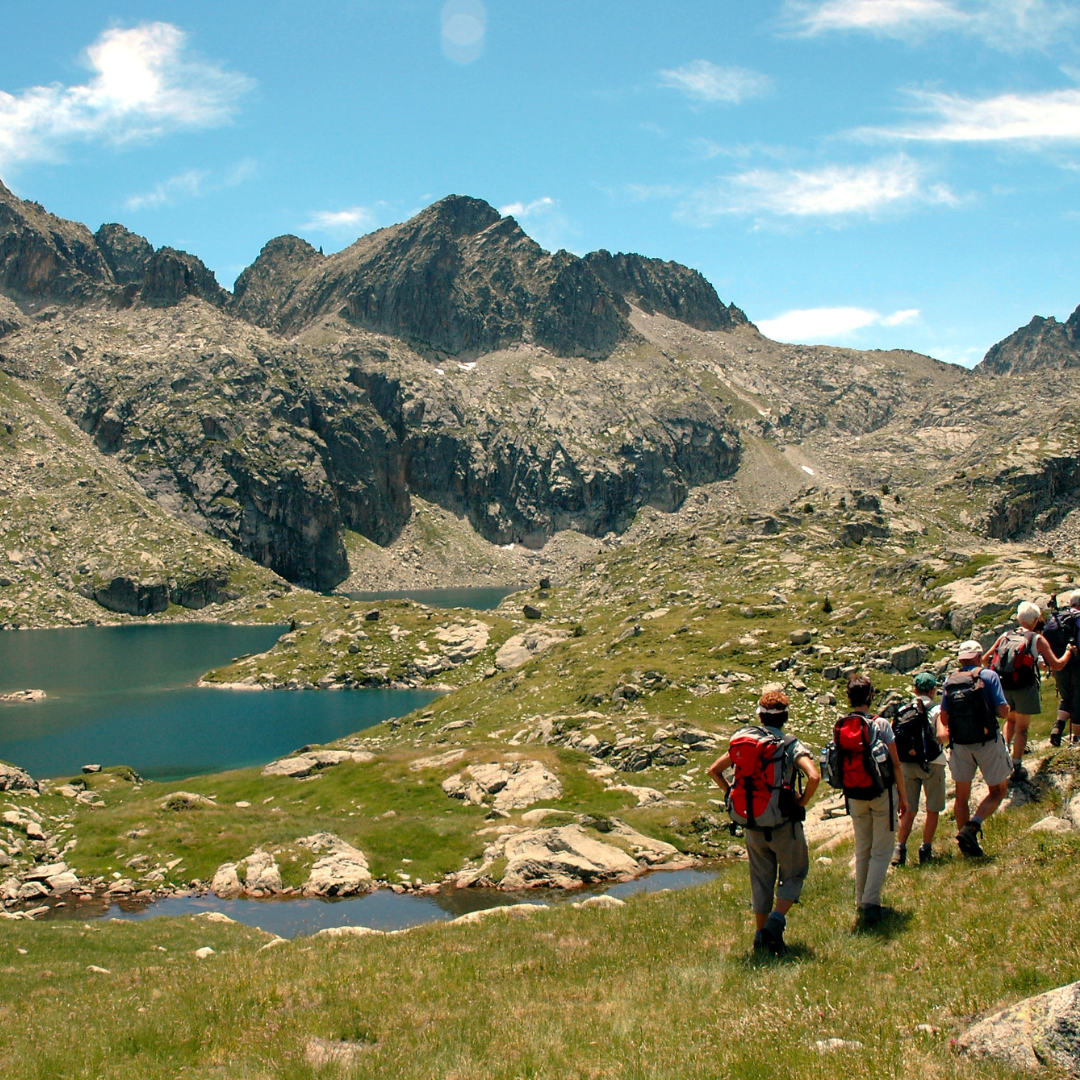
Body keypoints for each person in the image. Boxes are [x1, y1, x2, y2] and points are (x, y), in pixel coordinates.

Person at [707, 688, 820, 956]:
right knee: (794, 874)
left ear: (760, 716)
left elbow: (714, 770)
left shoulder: (746, 742)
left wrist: (731, 794)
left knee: (761, 881)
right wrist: (801, 802)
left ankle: (761, 939)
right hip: (783, 824)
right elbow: (813, 776)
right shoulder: (789, 744)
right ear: (786, 716)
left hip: (752, 823)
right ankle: (776, 921)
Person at [836, 674, 908, 927]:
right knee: (882, 850)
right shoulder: (881, 725)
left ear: (849, 697)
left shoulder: (842, 723)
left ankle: (861, 900)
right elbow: (896, 763)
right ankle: (871, 903)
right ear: (871, 696)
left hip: (854, 794)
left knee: (862, 848)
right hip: (882, 793)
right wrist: (903, 797)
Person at [982, 601, 1075, 783]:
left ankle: (1004, 756)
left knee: (1010, 721)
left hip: (1004, 687)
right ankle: (1016, 766)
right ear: (1034, 620)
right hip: (1025, 687)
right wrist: (1069, 653)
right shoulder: (1036, 639)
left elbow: (986, 660)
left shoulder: (1005, 636)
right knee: (1022, 729)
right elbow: (1056, 664)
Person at [939, 640, 1012, 857]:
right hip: (987, 742)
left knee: (961, 797)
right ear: (979, 657)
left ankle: (966, 849)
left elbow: (944, 717)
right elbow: (1002, 710)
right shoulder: (988, 676)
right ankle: (972, 827)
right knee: (998, 791)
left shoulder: (950, 681)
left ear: (961, 659)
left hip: (960, 745)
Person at [891, 671, 946, 867]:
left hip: (906, 765)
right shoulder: (936, 710)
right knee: (933, 809)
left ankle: (900, 848)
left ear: (915, 689)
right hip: (932, 763)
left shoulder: (904, 709)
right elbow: (942, 735)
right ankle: (926, 849)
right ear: (933, 691)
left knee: (908, 809)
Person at [1047, 591, 1080, 746]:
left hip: (1060, 662)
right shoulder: (1078, 619)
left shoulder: (1060, 617)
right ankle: (1076, 739)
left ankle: (1058, 726)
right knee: (1079, 698)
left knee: (1067, 697)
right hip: (1077, 664)